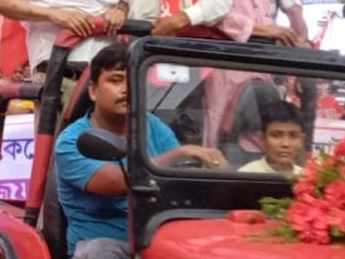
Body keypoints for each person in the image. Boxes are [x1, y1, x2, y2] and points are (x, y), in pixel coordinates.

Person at [55, 44, 226, 258]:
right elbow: (118, 182)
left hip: (157, 238)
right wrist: (181, 154)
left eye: (132, 81)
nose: (126, 89)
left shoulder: (152, 125)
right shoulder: (71, 141)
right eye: (115, 80)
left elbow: (178, 177)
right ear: (93, 90)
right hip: (103, 244)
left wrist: (213, 170)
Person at [206, 0, 307, 151]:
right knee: (223, 156)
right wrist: (265, 31)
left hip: (261, 90)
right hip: (227, 85)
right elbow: (212, 15)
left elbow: (273, 36)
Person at [238, 101, 304, 176]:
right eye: (276, 135)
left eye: (293, 136)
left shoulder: (307, 179)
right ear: (262, 139)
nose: (285, 144)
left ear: (302, 140)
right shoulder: (245, 176)